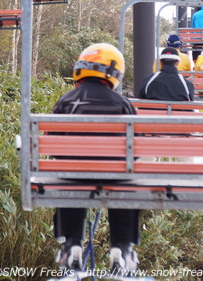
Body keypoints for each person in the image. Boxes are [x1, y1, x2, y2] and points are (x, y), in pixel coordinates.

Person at [52, 43, 140, 275]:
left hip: (74, 175)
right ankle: (122, 248)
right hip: (113, 175)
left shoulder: (66, 101)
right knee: (124, 185)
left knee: (68, 180)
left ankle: (71, 244)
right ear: (114, 73)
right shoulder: (123, 104)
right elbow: (136, 149)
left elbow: (53, 145)